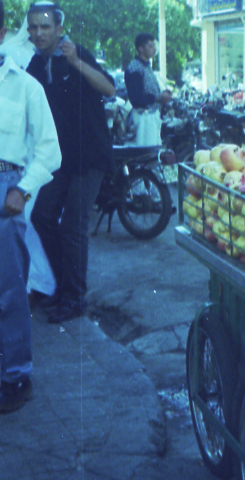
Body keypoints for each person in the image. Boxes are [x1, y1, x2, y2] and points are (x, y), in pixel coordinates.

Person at [26, 1, 115, 324]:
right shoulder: (34, 66)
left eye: (44, 26)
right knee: (42, 215)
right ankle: (62, 287)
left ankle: (75, 298)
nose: (38, 33)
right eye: (33, 27)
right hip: (59, 159)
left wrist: (77, 61)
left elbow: (109, 88)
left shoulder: (78, 54)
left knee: (73, 224)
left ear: (59, 29)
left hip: (90, 155)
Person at [0, 0, 62, 413]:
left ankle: (15, 376)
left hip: (6, 190)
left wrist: (21, 189)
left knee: (7, 292)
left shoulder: (24, 87)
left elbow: (49, 152)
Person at [124, 33, 172, 146]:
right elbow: (136, 99)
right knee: (148, 156)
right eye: (151, 46)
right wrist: (159, 98)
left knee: (155, 153)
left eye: (154, 45)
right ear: (140, 48)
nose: (154, 49)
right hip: (144, 119)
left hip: (152, 117)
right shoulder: (135, 68)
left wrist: (162, 95)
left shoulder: (146, 66)